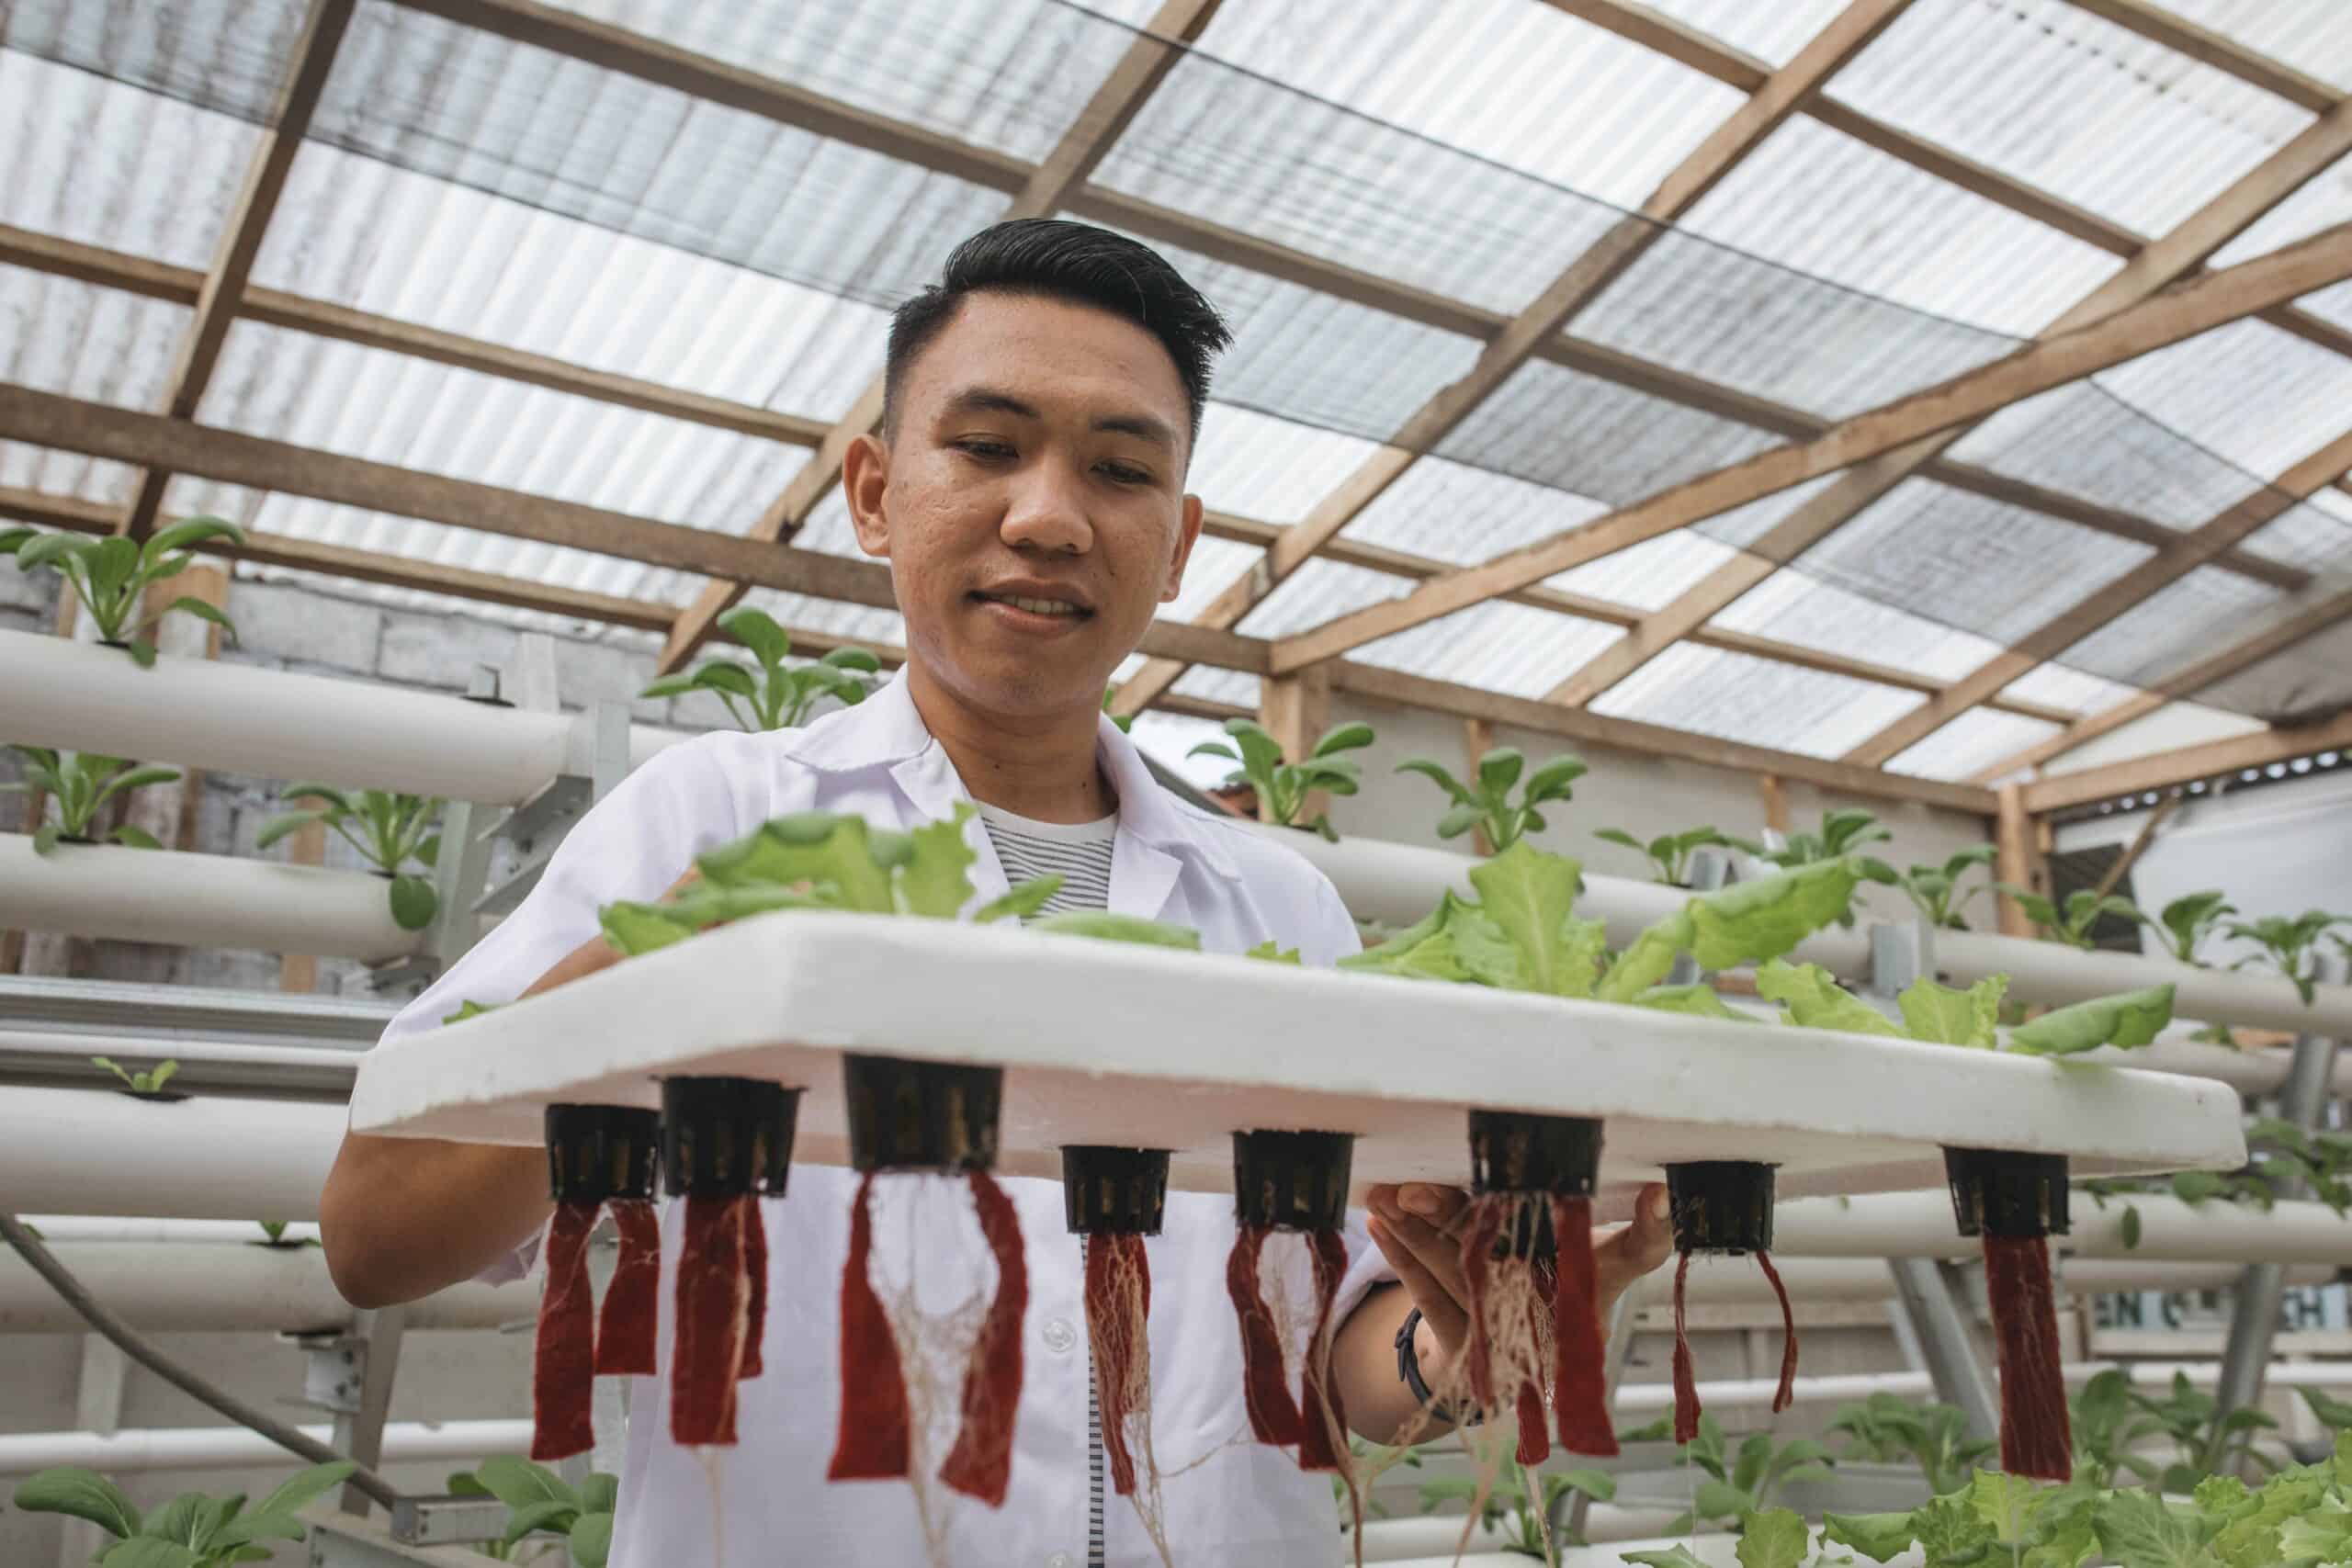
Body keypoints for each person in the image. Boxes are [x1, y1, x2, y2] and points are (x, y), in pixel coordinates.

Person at [321, 219, 1673, 1566]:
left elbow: (1329, 1372)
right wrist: (665, 974)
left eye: (1120, 469)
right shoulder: (717, 824)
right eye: (985, 447)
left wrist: (1481, 1325)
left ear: (1180, 538)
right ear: (872, 490)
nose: (1047, 516)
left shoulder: (1277, 908)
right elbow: (374, 1235)